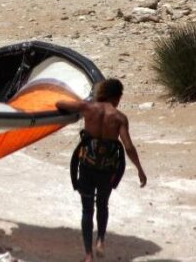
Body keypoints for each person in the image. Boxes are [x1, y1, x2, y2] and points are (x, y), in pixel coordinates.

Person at [57, 79, 147, 262]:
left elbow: (60, 104)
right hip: (107, 170)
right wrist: (139, 169)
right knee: (103, 204)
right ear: (117, 97)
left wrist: (78, 102)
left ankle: (88, 255)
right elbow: (128, 147)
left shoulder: (88, 108)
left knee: (86, 210)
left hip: (87, 166)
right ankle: (100, 241)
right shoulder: (120, 118)